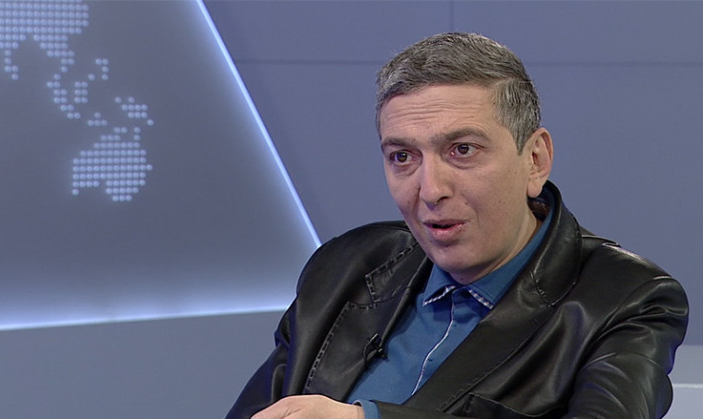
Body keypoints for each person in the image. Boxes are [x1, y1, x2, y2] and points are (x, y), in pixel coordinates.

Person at [227, 32, 689, 419]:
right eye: (402, 157)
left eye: (462, 150)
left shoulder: (625, 299)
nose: (430, 190)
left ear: (535, 160)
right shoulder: (345, 266)